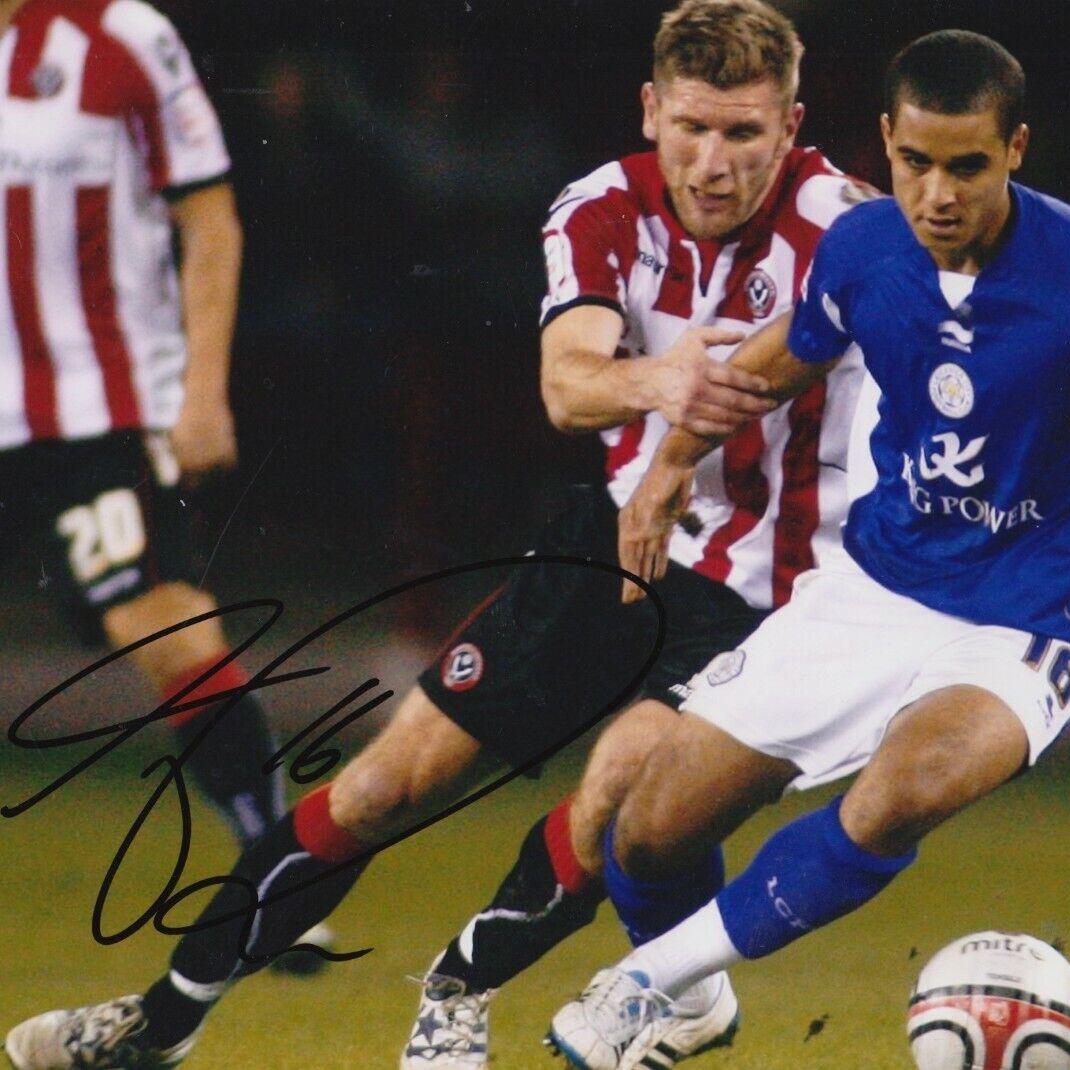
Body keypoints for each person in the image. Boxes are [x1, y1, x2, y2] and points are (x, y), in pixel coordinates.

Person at [4, 2, 872, 1069]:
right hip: (613, 539)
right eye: (692, 126)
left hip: (778, 589)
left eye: (745, 134)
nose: (715, 161)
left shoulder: (849, 227)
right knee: (383, 785)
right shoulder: (599, 206)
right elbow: (569, 384)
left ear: (792, 125)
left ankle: (460, 987)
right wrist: (661, 381)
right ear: (651, 110)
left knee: (620, 776)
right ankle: (160, 1020)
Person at [545, 30, 1070, 1070]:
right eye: (914, 162)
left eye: (967, 165)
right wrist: (673, 458)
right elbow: (772, 366)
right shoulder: (860, 251)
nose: (936, 193)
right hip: (872, 588)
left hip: (1032, 616)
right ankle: (689, 998)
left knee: (907, 785)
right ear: (887, 144)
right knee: (649, 824)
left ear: (1016, 150)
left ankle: (639, 985)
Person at [0, 0, 332, 964]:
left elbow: (210, 216)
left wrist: (202, 392)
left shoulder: (122, 37)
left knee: (159, 623)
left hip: (94, 409)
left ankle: (275, 874)